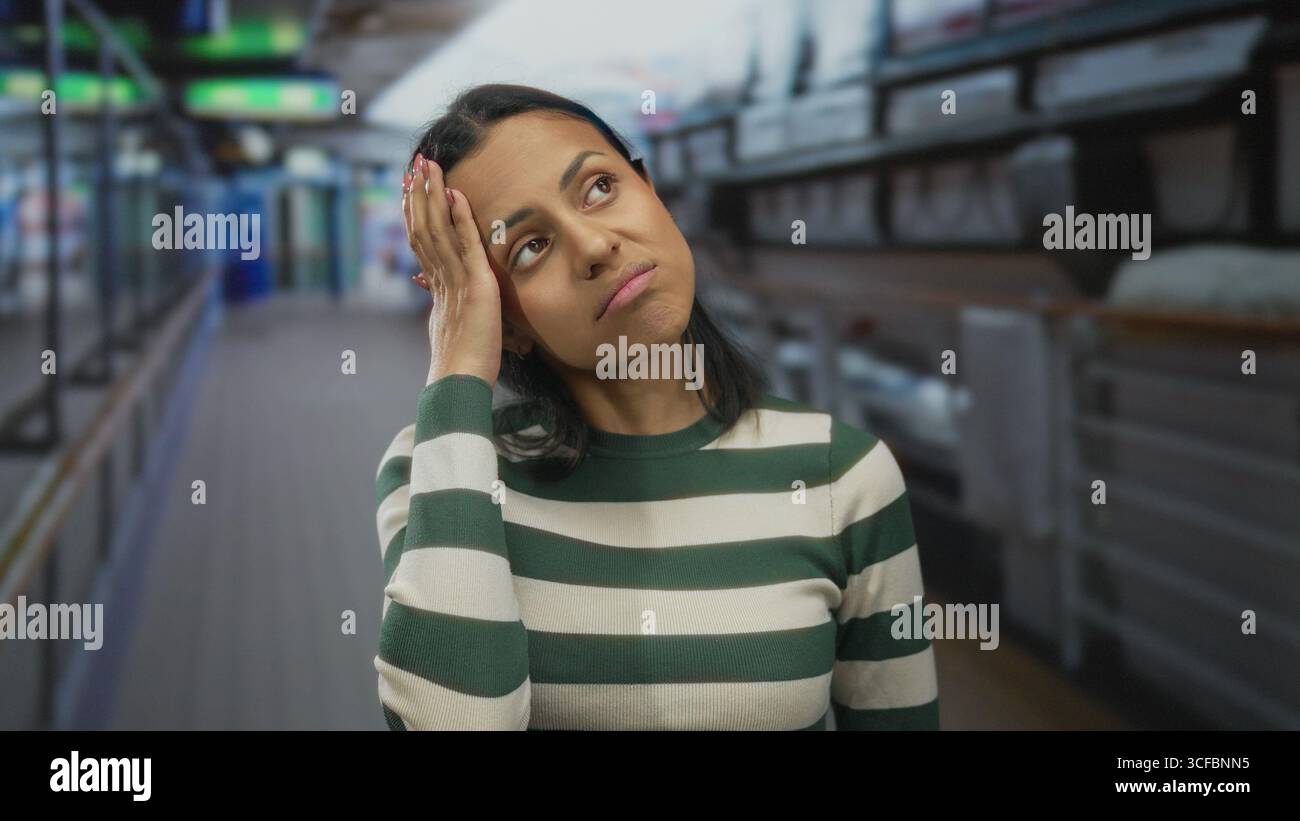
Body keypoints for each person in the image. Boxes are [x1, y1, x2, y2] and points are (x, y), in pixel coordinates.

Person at [372, 83, 940, 730]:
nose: (592, 246)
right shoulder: (436, 469)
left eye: (599, 188)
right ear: (506, 320)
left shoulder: (846, 477)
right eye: (530, 247)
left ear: (654, 194)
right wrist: (457, 364)